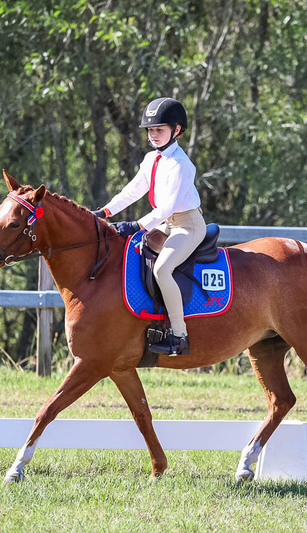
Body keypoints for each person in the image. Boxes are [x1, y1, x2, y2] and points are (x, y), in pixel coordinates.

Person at [91, 97, 205, 356]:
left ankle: (179, 336)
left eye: (159, 130)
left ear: (177, 131)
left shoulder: (181, 165)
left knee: (163, 269)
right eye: (151, 130)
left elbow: (167, 206)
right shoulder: (151, 159)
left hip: (188, 226)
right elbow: (133, 190)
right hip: (167, 224)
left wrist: (137, 224)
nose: (153, 135)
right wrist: (105, 211)